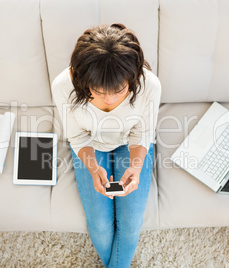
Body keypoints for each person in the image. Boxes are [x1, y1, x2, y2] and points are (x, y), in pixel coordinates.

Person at [52, 23, 161, 268]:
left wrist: (136, 166)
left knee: (131, 224)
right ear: (82, 82)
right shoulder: (63, 85)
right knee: (100, 227)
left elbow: (142, 133)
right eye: (98, 92)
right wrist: (92, 168)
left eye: (119, 90)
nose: (109, 100)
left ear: (132, 80)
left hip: (131, 145)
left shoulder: (150, 85)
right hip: (90, 145)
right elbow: (78, 137)